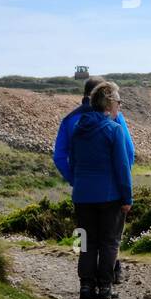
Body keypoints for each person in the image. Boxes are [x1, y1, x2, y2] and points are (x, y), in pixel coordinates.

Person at [54, 75, 135, 284]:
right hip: (109, 191)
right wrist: (124, 191)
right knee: (110, 239)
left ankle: (86, 283)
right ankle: (108, 280)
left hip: (81, 191)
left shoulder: (72, 121)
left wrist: (76, 179)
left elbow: (61, 156)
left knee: (84, 238)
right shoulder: (114, 120)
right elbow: (128, 154)